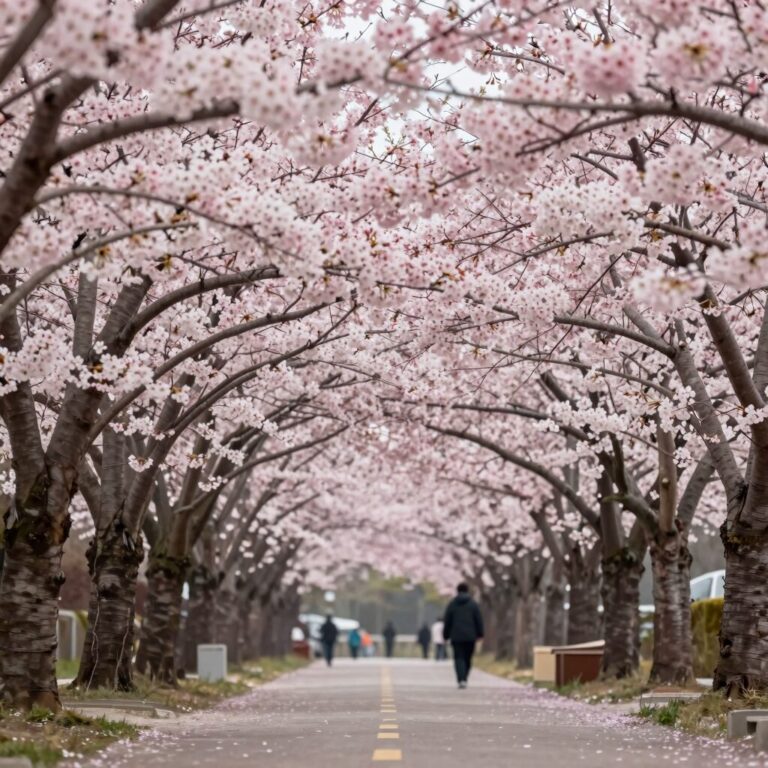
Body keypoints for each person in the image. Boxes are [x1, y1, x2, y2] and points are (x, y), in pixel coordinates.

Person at [443, 582, 484, 688]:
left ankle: (461, 679)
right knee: (468, 658)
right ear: (467, 590)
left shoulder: (452, 604)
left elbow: (447, 621)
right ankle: (464, 677)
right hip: (471, 636)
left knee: (458, 657)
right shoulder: (473, 604)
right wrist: (480, 634)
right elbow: (478, 620)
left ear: (457, 591)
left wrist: (445, 635)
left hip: (456, 636)